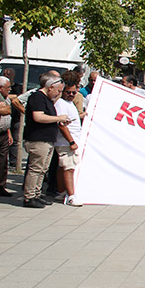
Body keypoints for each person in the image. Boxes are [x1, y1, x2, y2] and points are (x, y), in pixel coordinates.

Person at [22, 71, 69, 209]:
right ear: (50, 88)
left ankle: (36, 193)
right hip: (38, 140)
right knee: (35, 169)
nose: (58, 94)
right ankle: (29, 196)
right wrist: (58, 118)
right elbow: (38, 117)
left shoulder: (47, 99)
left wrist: (59, 121)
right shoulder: (37, 97)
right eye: (58, 91)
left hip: (47, 140)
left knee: (43, 169)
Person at [53, 77, 83, 207]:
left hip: (71, 140)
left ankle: (61, 191)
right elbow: (62, 125)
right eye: (68, 92)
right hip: (66, 142)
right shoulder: (61, 104)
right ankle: (71, 196)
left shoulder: (69, 104)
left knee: (63, 167)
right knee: (68, 168)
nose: (71, 95)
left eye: (73, 92)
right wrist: (71, 142)